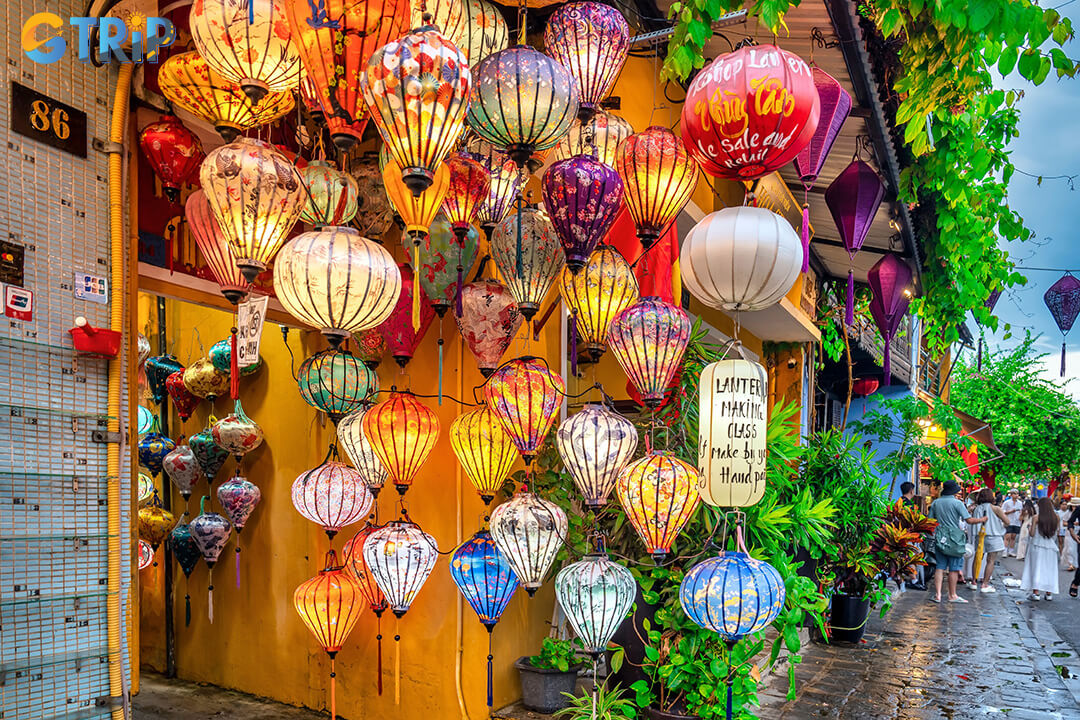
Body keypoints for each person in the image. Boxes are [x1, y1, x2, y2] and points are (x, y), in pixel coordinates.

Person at [927, 479, 987, 603]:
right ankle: (952, 595)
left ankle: (937, 595)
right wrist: (982, 519)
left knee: (940, 566)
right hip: (955, 538)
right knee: (954, 568)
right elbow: (969, 520)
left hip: (940, 537)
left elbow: (930, 521)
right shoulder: (957, 503)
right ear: (954, 491)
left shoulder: (936, 503)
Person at [1021, 497, 1061, 600]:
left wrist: (1029, 527)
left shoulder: (1036, 517)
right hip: (1051, 545)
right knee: (1049, 569)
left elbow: (1032, 533)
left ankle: (1036, 592)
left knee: (1036, 567)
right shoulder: (1056, 517)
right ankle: (1049, 593)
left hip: (1037, 545)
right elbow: (1057, 533)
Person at [971, 488, 1009, 592]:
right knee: (991, 561)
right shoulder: (996, 508)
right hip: (994, 537)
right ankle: (985, 584)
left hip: (980, 536)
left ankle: (974, 582)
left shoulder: (976, 509)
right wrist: (999, 525)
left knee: (978, 558)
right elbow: (1007, 521)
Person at [1002, 490, 1023, 557]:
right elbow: (1003, 511)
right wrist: (1010, 511)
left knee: (1013, 536)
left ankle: (1011, 551)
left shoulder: (1020, 503)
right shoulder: (1007, 502)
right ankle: (1004, 551)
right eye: (1014, 494)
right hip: (1009, 521)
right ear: (1011, 495)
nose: (1016, 495)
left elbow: (1021, 511)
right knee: (1007, 536)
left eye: (1017, 494)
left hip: (1017, 522)